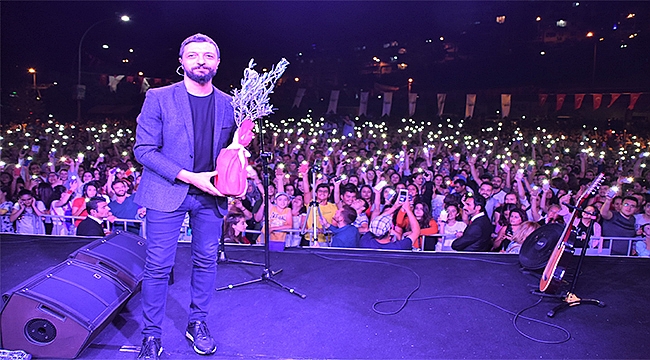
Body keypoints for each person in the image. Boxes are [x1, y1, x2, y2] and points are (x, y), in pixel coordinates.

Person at [133, 33, 236, 359]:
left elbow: (233, 150)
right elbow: (144, 150)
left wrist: (240, 161)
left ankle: (198, 323)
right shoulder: (159, 97)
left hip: (211, 196)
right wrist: (190, 177)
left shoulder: (230, 103)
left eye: (208, 56)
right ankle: (151, 335)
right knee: (158, 267)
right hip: (167, 191)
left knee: (206, 262)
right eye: (193, 55)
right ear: (181, 62)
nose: (201, 61)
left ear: (217, 63)